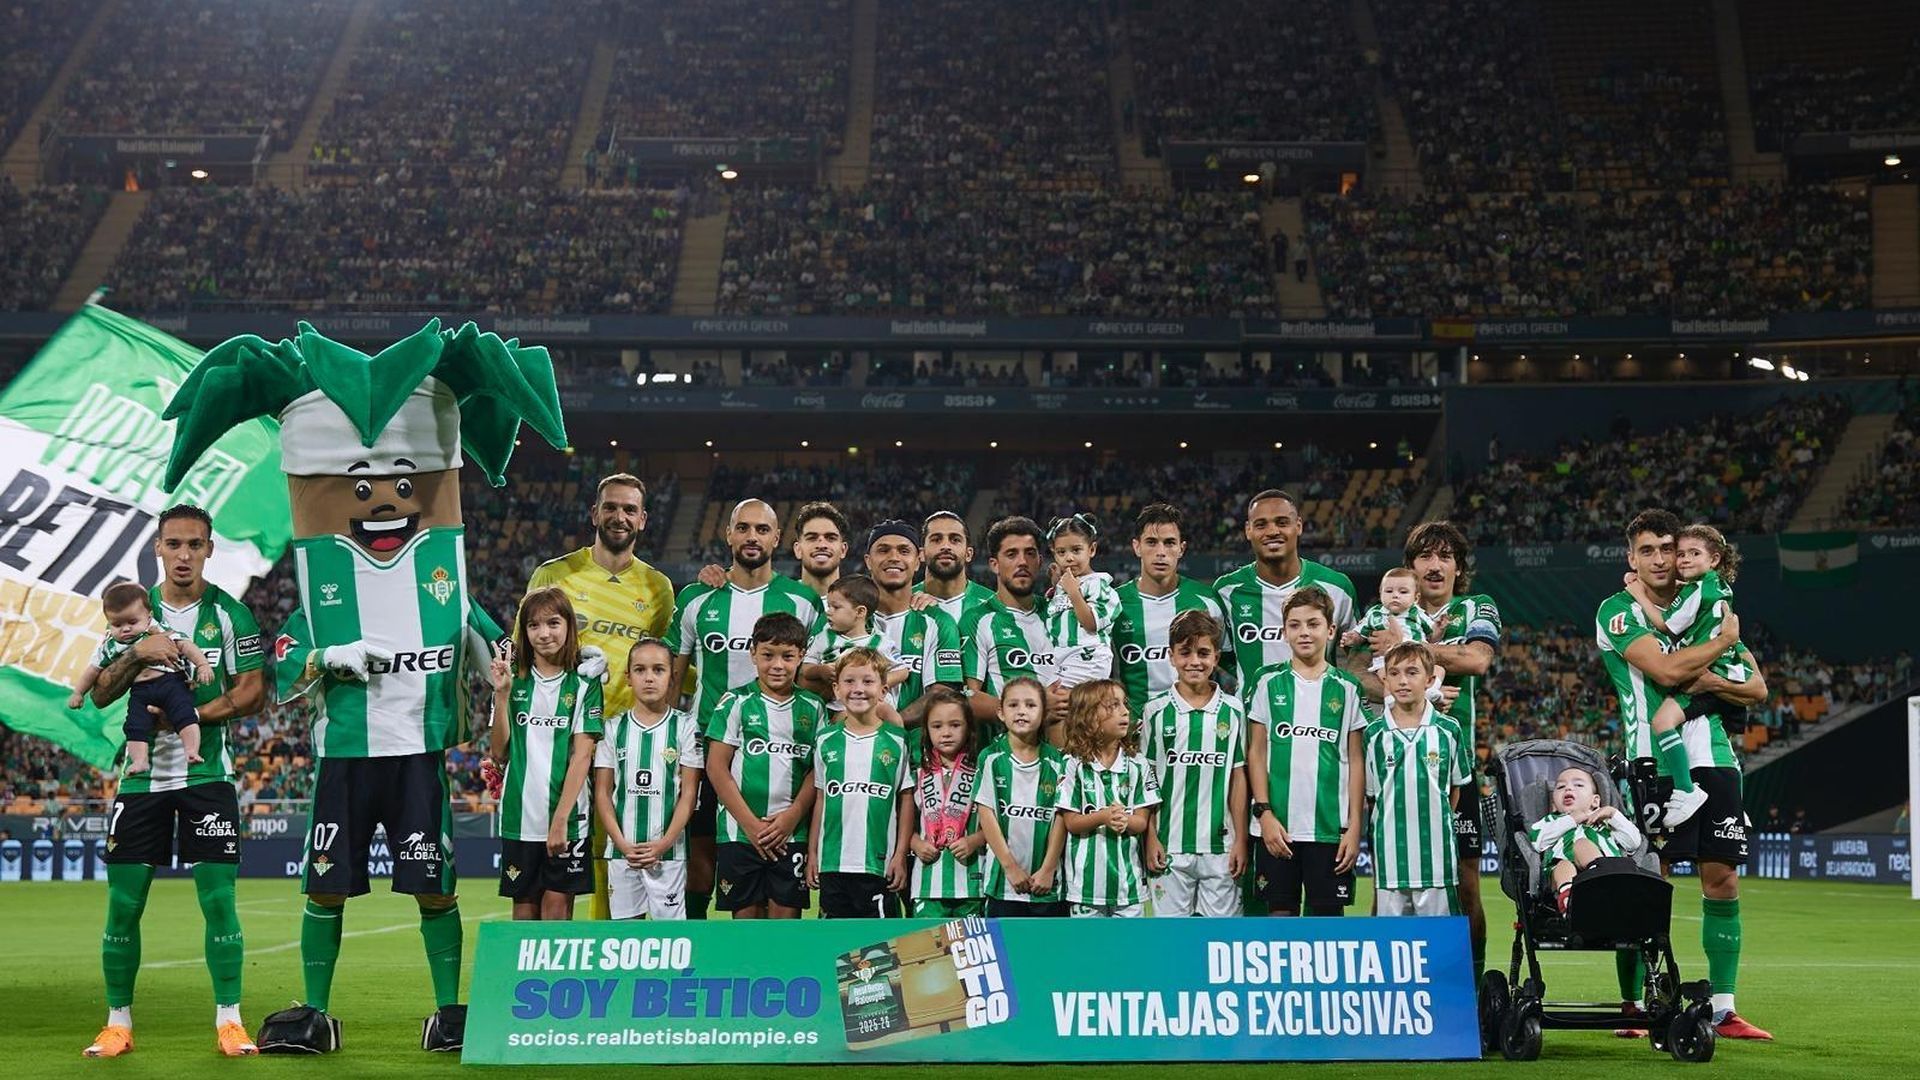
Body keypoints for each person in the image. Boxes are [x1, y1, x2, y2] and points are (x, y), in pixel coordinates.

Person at [86, 504, 264, 1058]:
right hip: (141, 781)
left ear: (210, 549)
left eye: (194, 544)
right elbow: (101, 692)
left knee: (218, 901)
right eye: (173, 544)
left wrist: (191, 715)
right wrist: (138, 651)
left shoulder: (230, 615)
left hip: (207, 774)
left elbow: (253, 691)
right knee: (124, 903)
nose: (184, 554)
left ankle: (230, 1021)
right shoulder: (132, 613)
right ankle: (118, 1023)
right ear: (157, 548)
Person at [1596, 508, 1771, 1040]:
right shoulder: (1619, 611)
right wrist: (1718, 653)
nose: (1658, 559)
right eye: (1645, 550)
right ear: (1631, 558)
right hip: (1650, 759)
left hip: (1714, 759)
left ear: (1681, 554)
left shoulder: (1707, 606)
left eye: (1666, 549)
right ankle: (1638, 1005)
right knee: (1648, 883)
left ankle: (1723, 1008)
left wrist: (1713, 676)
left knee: (1722, 880)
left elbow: (1758, 689)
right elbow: (1669, 671)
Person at [526, 472, 676, 921]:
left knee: (616, 853)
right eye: (611, 507)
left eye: (630, 509)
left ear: (643, 520)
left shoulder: (657, 587)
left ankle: (607, 950)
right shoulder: (554, 574)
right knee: (557, 856)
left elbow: (665, 666)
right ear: (594, 512)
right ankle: (549, 962)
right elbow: (526, 653)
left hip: (626, 742)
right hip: (562, 738)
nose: (619, 516)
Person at [668, 499, 824, 921]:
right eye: (743, 528)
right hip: (706, 746)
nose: (752, 537)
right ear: (729, 534)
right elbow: (673, 674)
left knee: (781, 890)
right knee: (700, 860)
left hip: (784, 750)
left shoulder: (803, 601)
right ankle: (698, 952)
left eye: (762, 529)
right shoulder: (698, 597)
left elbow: (825, 665)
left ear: (777, 538)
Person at [1391, 520, 1501, 972]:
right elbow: (1358, 672)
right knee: (1392, 885)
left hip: (1455, 774)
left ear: (1459, 567)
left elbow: (1477, 659)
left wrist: (1406, 652)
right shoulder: (1388, 609)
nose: (1435, 567)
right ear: (1411, 567)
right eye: (1425, 557)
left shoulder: (1476, 606)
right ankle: (1394, 990)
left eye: (1445, 557)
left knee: (1467, 884)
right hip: (1396, 771)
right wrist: (1418, 688)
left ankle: (1471, 992)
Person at [1246, 588, 1368, 916]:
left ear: (1330, 630)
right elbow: (1255, 752)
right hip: (1277, 827)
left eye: (1313, 624)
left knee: (1327, 925)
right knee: (1279, 917)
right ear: (1284, 631)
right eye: (1295, 625)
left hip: (1331, 829)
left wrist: (1355, 826)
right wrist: (1265, 813)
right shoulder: (1266, 681)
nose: (1304, 632)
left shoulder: (1348, 687)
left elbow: (1356, 760)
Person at [1624, 523, 1754, 824]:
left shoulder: (1696, 591)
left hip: (1705, 674)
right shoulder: (1717, 586)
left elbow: (1665, 624)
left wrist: (1637, 593)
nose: (1683, 560)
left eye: (1693, 553)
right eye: (1680, 554)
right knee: (1728, 742)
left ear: (1715, 559)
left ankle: (1686, 791)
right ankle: (1736, 806)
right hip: (1730, 671)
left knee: (1662, 721)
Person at [488, 588, 603, 922]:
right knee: (523, 913)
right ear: (524, 632)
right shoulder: (514, 680)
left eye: (553, 622)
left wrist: (560, 821)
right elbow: (499, 752)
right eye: (534, 625)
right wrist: (502, 697)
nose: (544, 633)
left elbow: (582, 757)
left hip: (568, 818)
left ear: (569, 626)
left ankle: (554, 978)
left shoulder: (584, 683)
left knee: (556, 912)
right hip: (519, 818)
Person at [704, 612, 824, 919]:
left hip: (791, 834)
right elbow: (717, 767)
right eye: (768, 655)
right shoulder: (735, 702)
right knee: (747, 924)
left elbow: (817, 770)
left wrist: (792, 816)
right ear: (753, 653)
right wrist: (750, 825)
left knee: (786, 925)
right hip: (740, 834)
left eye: (787, 656)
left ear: (801, 655)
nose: (778, 665)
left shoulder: (813, 707)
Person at [1139, 610, 1248, 918]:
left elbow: (1238, 779)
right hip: (1169, 845)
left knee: (1221, 941)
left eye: (1203, 653)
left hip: (1221, 847)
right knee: (1171, 941)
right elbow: (1146, 782)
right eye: (1185, 653)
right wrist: (1150, 836)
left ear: (1215, 657)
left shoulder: (1233, 710)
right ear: (1171, 656)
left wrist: (1240, 838)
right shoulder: (1155, 712)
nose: (1194, 662)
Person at [593, 638, 703, 921]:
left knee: (669, 939)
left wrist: (664, 843)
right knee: (626, 936)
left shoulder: (686, 727)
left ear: (672, 676)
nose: (649, 677)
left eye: (658, 669)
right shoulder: (612, 728)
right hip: (622, 852)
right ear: (628, 678)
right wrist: (621, 843)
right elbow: (603, 794)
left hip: (669, 853)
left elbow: (688, 794)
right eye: (640, 670)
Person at [1364, 642, 1472, 916]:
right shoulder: (1374, 734)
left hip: (1437, 858)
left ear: (1430, 679)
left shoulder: (1448, 730)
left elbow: (1454, 791)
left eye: (1412, 672)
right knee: (1392, 945)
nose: (1403, 680)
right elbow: (1372, 795)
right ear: (1385, 678)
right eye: (1395, 673)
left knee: (1438, 944)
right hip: (1390, 856)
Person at [807, 648, 912, 918]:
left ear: (883, 690)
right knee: (834, 947)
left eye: (868, 681)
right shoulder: (825, 740)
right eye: (849, 681)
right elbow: (821, 798)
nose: (858, 689)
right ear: (836, 689)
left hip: (878, 864)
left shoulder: (897, 741)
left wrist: (900, 855)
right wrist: (813, 852)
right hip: (833, 864)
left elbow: (906, 799)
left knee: (881, 949)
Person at [1214, 489, 1358, 683]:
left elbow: (1357, 651)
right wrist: (1250, 681)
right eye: (1261, 525)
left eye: (1282, 523)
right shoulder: (1226, 590)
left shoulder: (1337, 587)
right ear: (1248, 530)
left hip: (1320, 711)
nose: (1273, 532)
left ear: (1298, 526)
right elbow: (1219, 653)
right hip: (1253, 713)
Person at [71, 582, 214, 775]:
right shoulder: (111, 646)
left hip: (171, 682)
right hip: (141, 691)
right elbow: (92, 671)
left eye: (132, 622)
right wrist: (79, 693)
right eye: (117, 625)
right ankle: (140, 761)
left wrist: (203, 664)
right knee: (134, 726)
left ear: (148, 618)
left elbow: (185, 645)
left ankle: (191, 751)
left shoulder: (159, 631)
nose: (125, 629)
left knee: (185, 715)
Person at [1112, 503, 1230, 720]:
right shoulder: (1114, 604)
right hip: (1134, 730)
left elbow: (1228, 661)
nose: (1160, 552)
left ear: (1181, 549)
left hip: (1196, 727)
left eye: (1169, 543)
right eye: (1151, 542)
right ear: (1136, 547)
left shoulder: (1206, 601)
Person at [1055, 679, 1160, 917]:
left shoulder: (1138, 764)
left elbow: (1142, 821)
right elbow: (1071, 822)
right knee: (1090, 952)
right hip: (1084, 889)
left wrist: (1124, 820)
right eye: (1113, 706)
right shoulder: (1072, 764)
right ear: (1089, 717)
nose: (1124, 712)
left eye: (1124, 704)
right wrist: (1103, 817)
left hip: (1129, 888)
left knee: (1128, 952)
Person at [975, 677, 1070, 916]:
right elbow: (987, 814)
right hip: (1004, 883)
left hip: (1047, 883)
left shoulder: (1059, 762)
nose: (1021, 712)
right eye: (1013, 705)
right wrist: (1010, 867)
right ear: (1001, 712)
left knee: (1047, 952)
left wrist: (1048, 869)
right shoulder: (990, 758)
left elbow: (1061, 817)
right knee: (1006, 951)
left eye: (1030, 705)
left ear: (1044, 712)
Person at [959, 516, 1058, 733]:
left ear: (1040, 561)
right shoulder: (977, 619)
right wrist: (1035, 708)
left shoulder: (1058, 614)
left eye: (1030, 553)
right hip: (1002, 753)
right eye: (1011, 554)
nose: (1022, 562)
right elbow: (969, 696)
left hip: (1061, 754)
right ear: (994, 564)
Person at [864, 519, 966, 728]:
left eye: (904, 551)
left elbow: (942, 691)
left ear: (918, 560)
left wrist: (889, 725)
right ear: (868, 560)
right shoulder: (847, 618)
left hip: (918, 754)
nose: (894, 558)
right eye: (883, 550)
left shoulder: (938, 622)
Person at [906, 686, 988, 916]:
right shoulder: (917, 773)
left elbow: (997, 823)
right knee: (926, 950)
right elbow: (902, 822)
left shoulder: (982, 771)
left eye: (955, 725)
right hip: (926, 883)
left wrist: (974, 840)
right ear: (927, 731)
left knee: (969, 951)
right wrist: (916, 844)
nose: (946, 733)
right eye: (937, 726)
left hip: (972, 884)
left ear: (969, 728)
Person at [1528, 766, 1644, 914]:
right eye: (1561, 786)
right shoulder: (1552, 821)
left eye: (1578, 785)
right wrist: (1571, 819)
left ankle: (1600, 880)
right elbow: (1538, 842)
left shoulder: (1606, 824)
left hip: (1608, 873)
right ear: (1553, 804)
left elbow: (1634, 842)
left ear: (1595, 801)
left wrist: (1612, 814)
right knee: (1563, 866)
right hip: (1563, 876)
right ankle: (1569, 902)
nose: (1568, 788)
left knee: (1582, 845)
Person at [1042, 513, 1120, 690]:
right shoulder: (1065, 584)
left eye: (1076, 550)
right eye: (1062, 552)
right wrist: (1056, 587)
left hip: (1089, 656)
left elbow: (1091, 624)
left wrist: (1073, 592)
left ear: (1091, 549)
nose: (1069, 558)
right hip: (1060, 657)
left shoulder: (1098, 584)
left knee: (1049, 697)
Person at [801, 574, 909, 701]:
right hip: (837, 704)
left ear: (860, 612)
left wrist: (877, 683)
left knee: (889, 713)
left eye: (836, 607)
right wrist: (820, 671)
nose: (828, 611)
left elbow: (902, 672)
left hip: (874, 704)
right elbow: (805, 669)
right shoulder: (823, 638)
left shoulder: (881, 643)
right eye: (829, 606)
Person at [1345, 567, 1439, 680]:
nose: (1395, 595)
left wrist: (1440, 628)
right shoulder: (1375, 613)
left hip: (1416, 659)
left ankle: (1430, 692)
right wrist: (1353, 638)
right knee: (1385, 676)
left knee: (1438, 670)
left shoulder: (1417, 613)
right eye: (1389, 591)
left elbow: (1433, 636)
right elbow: (1361, 633)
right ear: (1380, 594)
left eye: (1403, 592)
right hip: (1385, 663)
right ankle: (1390, 697)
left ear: (1416, 597)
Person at [914, 510, 996, 623]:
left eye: (955, 540)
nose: (946, 546)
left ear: (969, 554)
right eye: (936, 540)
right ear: (921, 554)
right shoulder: (903, 604)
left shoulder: (993, 606)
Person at [791, 501, 851, 596]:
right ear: (797, 549)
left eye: (831, 538)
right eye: (812, 538)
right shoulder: (778, 602)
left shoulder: (859, 603)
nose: (822, 545)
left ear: (843, 550)